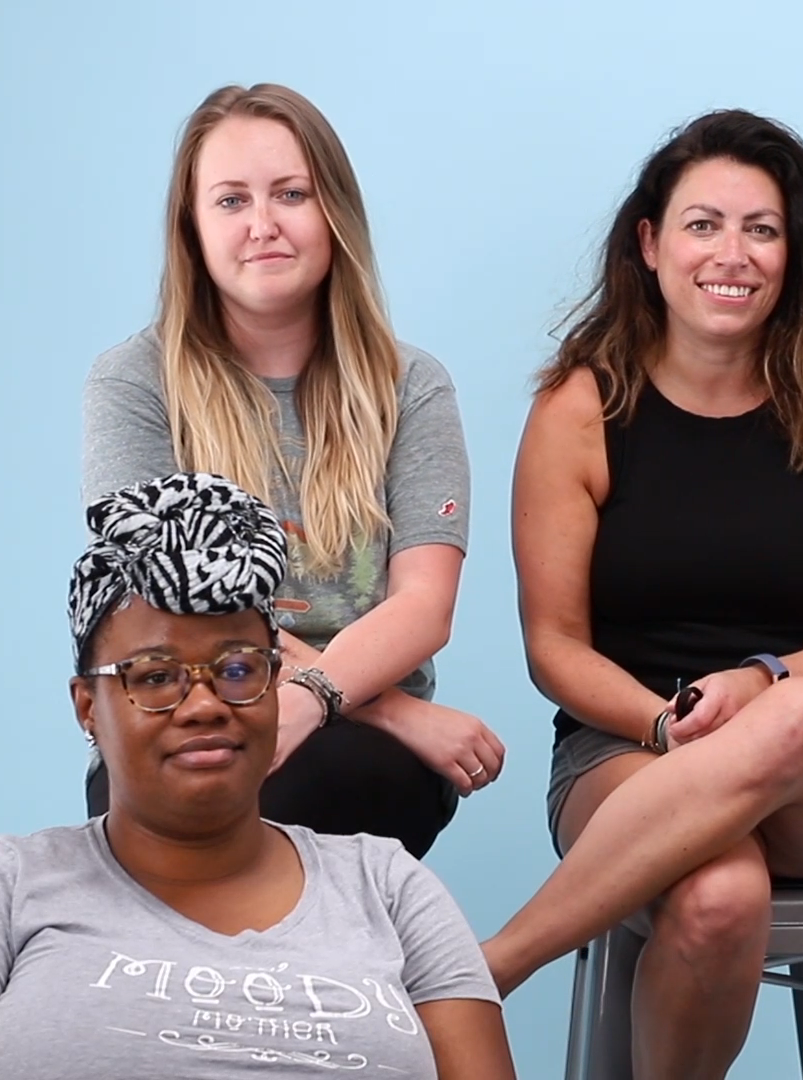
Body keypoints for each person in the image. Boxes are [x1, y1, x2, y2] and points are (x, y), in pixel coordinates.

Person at [481, 109, 803, 1077]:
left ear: (794, 248)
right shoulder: (579, 409)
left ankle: (492, 967)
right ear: (649, 244)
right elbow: (554, 647)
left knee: (801, 713)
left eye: (762, 229)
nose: (734, 254)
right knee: (719, 892)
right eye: (703, 224)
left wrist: (760, 686)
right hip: (628, 746)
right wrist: (661, 724)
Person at [0, 473, 515, 1080]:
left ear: (281, 688)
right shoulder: (1, 890)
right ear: (87, 709)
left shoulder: (390, 892)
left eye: (239, 669)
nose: (204, 705)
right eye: (155, 677)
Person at [83, 84, 503, 859]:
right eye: (232, 200)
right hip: (181, 713)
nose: (263, 224)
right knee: (210, 790)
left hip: (361, 770)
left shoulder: (411, 386)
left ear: (334, 212)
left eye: (291, 194)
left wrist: (315, 704)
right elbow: (165, 605)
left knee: (316, 789)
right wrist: (388, 711)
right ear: (194, 229)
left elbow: (423, 607)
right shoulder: (134, 383)